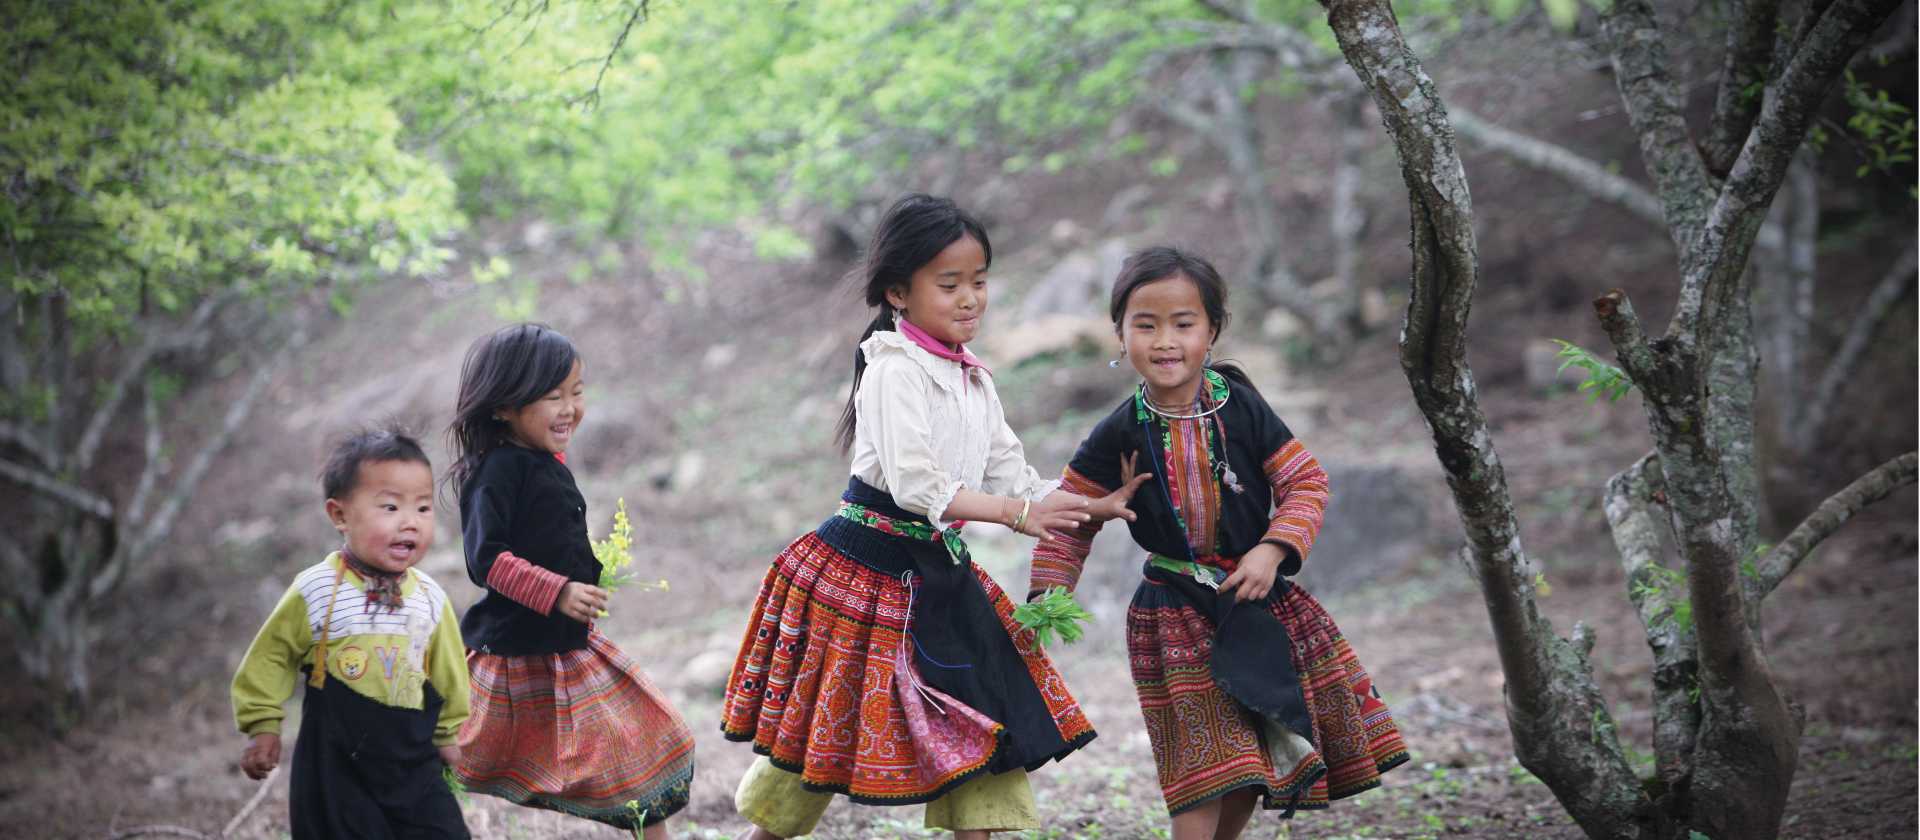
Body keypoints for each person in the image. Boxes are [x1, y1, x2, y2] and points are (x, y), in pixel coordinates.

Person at [720, 193, 1142, 839]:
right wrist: (1014, 513)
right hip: (861, 572)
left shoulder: (973, 378)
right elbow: (920, 486)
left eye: (979, 281)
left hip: (938, 572)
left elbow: (1014, 476)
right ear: (899, 291)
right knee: (820, 735)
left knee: (981, 716)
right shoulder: (892, 371)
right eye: (950, 284)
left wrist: (1090, 504)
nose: (970, 297)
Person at [1030, 246, 1408, 840]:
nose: (1164, 340)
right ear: (1119, 334)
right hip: (1172, 615)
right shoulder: (1117, 432)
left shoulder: (1243, 410)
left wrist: (1273, 549)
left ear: (1212, 330)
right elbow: (1072, 518)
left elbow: (1305, 480)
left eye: (1183, 324)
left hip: (1254, 601)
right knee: (1204, 767)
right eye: (1145, 324)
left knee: (1252, 763)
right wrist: (1048, 598)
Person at [446, 323, 693, 838]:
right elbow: (485, 559)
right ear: (503, 407)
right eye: (552, 396)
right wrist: (557, 590)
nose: (570, 408)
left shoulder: (540, 459)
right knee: (463, 750)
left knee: (645, 740)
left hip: (568, 648)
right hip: (516, 651)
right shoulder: (496, 472)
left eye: (576, 393)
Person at [231, 426, 470, 839]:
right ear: (340, 515)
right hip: (336, 764)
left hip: (411, 759)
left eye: (423, 509)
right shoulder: (317, 589)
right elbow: (273, 655)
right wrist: (264, 724)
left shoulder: (430, 598)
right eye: (391, 508)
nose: (410, 523)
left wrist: (450, 736)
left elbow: (450, 673)